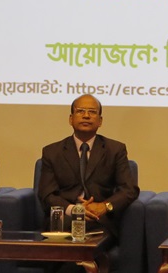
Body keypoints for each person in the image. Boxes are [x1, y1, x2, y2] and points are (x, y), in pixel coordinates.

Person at [38, 94, 140, 239]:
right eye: (80, 111)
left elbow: (129, 189)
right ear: (71, 119)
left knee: (93, 239)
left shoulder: (115, 150)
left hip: (99, 220)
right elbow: (46, 194)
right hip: (65, 220)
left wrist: (104, 206)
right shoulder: (52, 152)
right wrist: (75, 210)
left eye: (92, 112)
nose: (86, 116)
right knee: (62, 237)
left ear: (100, 121)